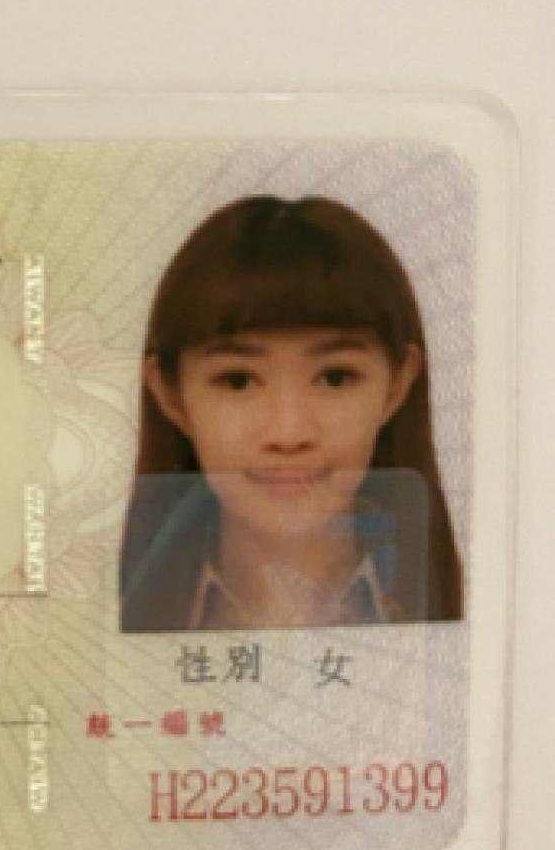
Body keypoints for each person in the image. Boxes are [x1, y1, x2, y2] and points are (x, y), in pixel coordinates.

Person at [118, 194, 462, 632]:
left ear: (396, 386)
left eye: (335, 378)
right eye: (237, 380)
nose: (288, 433)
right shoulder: (97, 629)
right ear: (172, 396)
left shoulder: (485, 618)